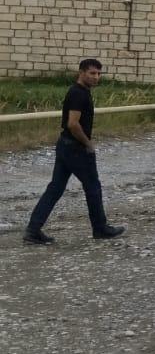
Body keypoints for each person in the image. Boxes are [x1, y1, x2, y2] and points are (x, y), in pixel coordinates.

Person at [24, 59, 124, 244]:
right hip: (76, 148)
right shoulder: (79, 94)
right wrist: (88, 143)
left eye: (99, 74)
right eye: (92, 73)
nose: (96, 77)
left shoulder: (80, 92)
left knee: (55, 188)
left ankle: (33, 230)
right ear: (81, 72)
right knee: (93, 187)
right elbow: (73, 123)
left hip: (65, 146)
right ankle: (100, 228)